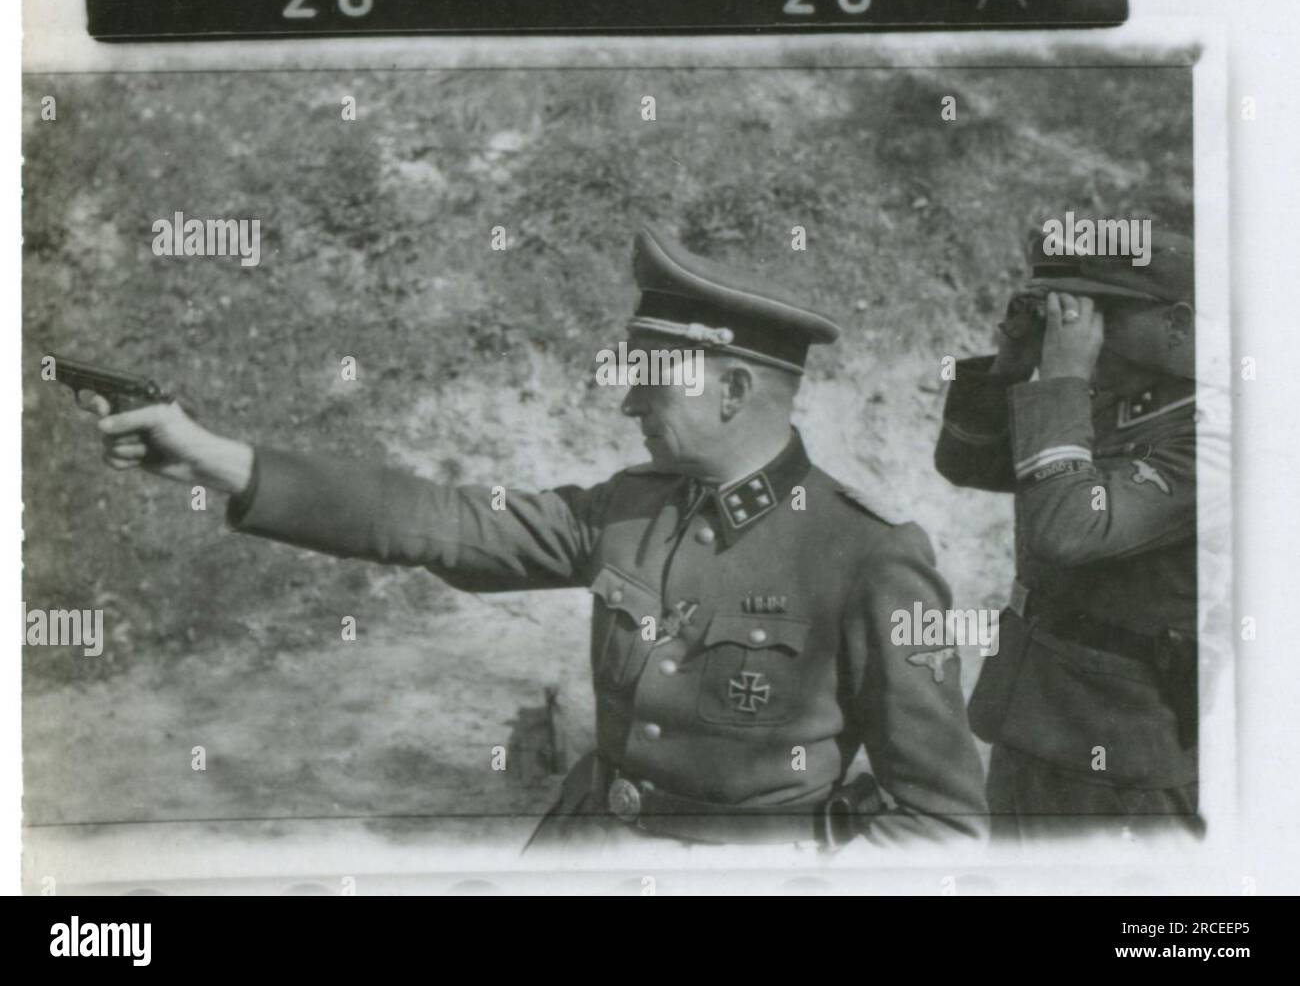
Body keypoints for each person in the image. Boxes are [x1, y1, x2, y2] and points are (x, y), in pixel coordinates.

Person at [86, 227, 988, 851]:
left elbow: (941, 822)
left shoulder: (867, 555)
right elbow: (439, 521)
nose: (629, 399)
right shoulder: (629, 507)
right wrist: (216, 462)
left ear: (734, 391)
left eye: (651, 380)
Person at [935, 225, 1213, 840]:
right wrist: (1011, 370)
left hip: (1129, 750)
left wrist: (1060, 380)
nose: (1074, 331)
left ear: (1179, 322)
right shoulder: (1112, 399)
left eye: (1098, 311)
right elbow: (967, 463)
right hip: (1034, 719)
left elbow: (1067, 531)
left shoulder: (1213, 434)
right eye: (1061, 308)